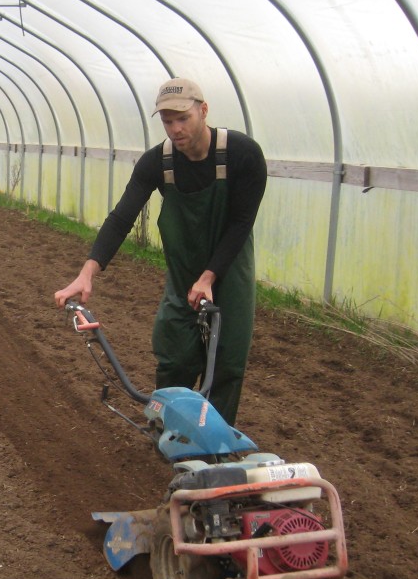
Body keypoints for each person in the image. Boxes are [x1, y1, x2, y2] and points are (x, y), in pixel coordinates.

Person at [54, 77, 267, 426]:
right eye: (168, 121)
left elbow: (241, 223)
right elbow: (121, 217)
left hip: (230, 274)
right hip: (183, 275)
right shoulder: (159, 162)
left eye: (183, 118)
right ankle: (170, 433)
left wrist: (210, 276)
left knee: (227, 364)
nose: (176, 128)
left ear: (204, 110)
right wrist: (87, 272)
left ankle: (215, 443)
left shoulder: (242, 155)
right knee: (175, 358)